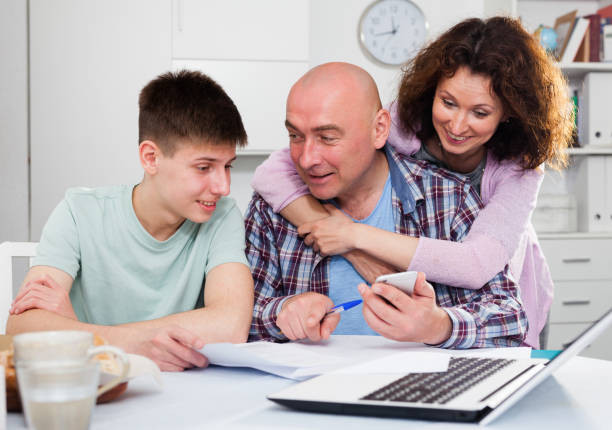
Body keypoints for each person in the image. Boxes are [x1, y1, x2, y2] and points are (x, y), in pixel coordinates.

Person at [250, 17, 573, 348]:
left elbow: (479, 270)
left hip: (507, 271)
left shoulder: (510, 171)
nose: (457, 125)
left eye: (479, 112)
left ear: (508, 112)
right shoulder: (403, 124)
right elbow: (273, 171)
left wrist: (352, 236)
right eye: (447, 103)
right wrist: (321, 227)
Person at [7, 70, 254, 371]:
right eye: (204, 167)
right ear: (151, 158)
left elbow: (231, 325)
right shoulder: (79, 212)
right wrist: (134, 343)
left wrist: (80, 331)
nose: (223, 187)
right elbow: (22, 328)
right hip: (97, 392)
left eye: (227, 166)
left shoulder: (222, 216)